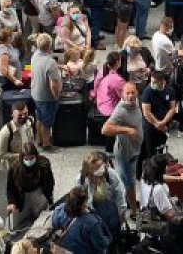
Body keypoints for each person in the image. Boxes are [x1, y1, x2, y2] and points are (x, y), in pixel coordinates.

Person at [102, 83, 144, 214]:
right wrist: (126, 130)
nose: (131, 96)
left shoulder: (137, 103)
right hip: (125, 154)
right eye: (128, 93)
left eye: (133, 92)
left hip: (135, 151)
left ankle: (128, 202)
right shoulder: (121, 110)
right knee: (128, 183)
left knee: (128, 180)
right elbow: (105, 129)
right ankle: (133, 211)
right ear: (123, 95)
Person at [74, 152, 127, 239]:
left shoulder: (111, 175)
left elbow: (120, 196)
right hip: (91, 210)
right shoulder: (81, 180)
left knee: (112, 231)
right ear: (88, 171)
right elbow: (79, 202)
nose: (101, 169)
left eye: (101, 165)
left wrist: (122, 218)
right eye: (97, 168)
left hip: (110, 209)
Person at [6, 143, 54, 229]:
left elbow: (50, 181)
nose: (29, 161)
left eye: (31, 158)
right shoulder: (15, 168)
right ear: (22, 158)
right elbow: (10, 188)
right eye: (26, 159)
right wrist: (11, 202)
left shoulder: (44, 164)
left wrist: (48, 196)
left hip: (38, 193)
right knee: (22, 223)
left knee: (41, 219)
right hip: (22, 196)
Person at [51, 186, 112, 254]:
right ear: (84, 202)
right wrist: (108, 238)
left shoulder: (60, 210)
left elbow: (55, 223)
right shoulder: (92, 223)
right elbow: (102, 244)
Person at [30, 34, 62, 150]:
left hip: (36, 93)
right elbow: (53, 84)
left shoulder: (35, 55)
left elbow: (43, 66)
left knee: (39, 117)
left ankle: (39, 139)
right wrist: (57, 96)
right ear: (50, 45)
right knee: (47, 123)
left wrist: (60, 67)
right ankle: (46, 144)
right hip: (47, 97)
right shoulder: (50, 62)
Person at [140, 71, 176, 172]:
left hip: (164, 126)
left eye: (155, 82)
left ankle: (160, 169)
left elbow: (172, 108)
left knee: (161, 148)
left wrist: (163, 122)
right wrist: (158, 124)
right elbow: (146, 112)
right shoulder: (147, 91)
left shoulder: (170, 90)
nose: (152, 84)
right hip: (150, 127)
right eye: (151, 81)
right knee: (149, 151)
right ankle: (149, 172)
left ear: (162, 81)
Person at [0, 102, 36, 170]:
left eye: (25, 113)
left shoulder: (29, 122)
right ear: (12, 115)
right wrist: (20, 155)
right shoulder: (5, 132)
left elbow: (31, 139)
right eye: (20, 115)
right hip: (15, 166)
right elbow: (0, 154)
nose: (23, 117)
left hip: (28, 161)